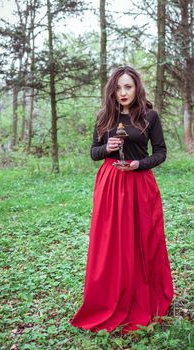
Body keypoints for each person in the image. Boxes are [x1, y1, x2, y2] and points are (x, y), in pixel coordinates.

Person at [70, 65, 174, 334]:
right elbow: (94, 153)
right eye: (118, 88)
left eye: (128, 86)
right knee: (111, 242)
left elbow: (160, 153)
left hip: (140, 184)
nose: (123, 92)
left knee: (143, 239)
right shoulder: (104, 116)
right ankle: (110, 296)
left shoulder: (149, 116)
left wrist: (139, 163)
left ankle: (143, 295)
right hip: (111, 185)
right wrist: (107, 148)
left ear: (136, 87)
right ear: (111, 91)